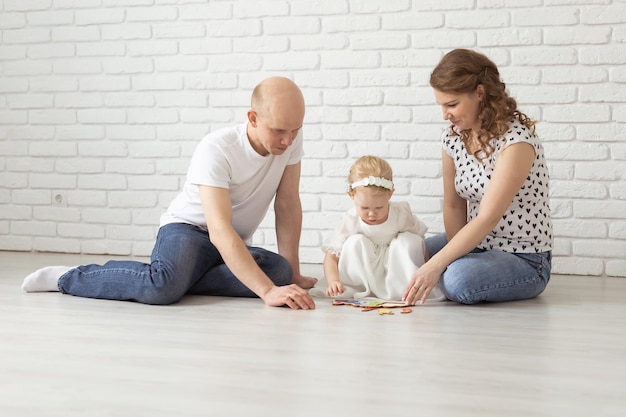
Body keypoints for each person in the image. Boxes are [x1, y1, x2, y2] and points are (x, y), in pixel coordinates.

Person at [23, 76, 316, 310]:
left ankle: (181, 276)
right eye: (279, 131)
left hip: (228, 242)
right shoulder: (217, 148)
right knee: (163, 287)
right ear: (252, 118)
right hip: (188, 230)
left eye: (295, 129)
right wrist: (266, 291)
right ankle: (67, 277)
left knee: (280, 272)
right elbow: (218, 228)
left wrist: (293, 273)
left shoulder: (289, 139)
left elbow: (288, 203)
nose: (288, 140)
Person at [403, 48, 553, 306]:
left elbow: (487, 216)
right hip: (478, 243)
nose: (445, 115)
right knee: (407, 251)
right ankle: (447, 268)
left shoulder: (516, 141)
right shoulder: (453, 138)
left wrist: (440, 264)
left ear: (480, 93)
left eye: (452, 104)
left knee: (457, 280)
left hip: (523, 257)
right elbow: (453, 203)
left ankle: (451, 273)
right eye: (441, 105)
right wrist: (450, 255)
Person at [320, 155, 445, 302]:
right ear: (351, 195)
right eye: (365, 208)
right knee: (354, 242)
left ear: (390, 194)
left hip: (394, 267)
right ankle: (359, 287)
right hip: (365, 268)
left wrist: (426, 269)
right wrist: (333, 281)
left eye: (379, 207)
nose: (372, 214)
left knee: (408, 240)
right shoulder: (351, 220)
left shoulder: (400, 214)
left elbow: (421, 245)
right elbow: (331, 257)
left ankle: (404, 287)